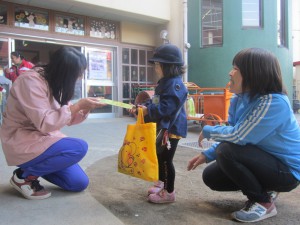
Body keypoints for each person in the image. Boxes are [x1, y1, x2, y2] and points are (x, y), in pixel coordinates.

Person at [187, 48, 300, 223]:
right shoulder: (238, 99)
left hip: (287, 171)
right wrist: (207, 154)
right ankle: (266, 189)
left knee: (226, 151)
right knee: (211, 177)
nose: (230, 73)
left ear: (254, 74)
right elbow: (233, 134)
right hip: (265, 160)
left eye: (236, 69)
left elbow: (239, 136)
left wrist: (209, 131)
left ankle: (263, 202)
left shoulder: (274, 102)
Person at [0, 47, 106, 200]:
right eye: (78, 73)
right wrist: (77, 106)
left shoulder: (56, 82)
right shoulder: (30, 81)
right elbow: (45, 122)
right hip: (22, 138)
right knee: (78, 147)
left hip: (44, 138)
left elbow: (66, 118)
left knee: (78, 183)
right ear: (65, 71)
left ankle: (35, 168)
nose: (80, 77)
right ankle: (23, 177)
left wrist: (85, 108)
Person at [130, 44, 188, 203]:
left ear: (169, 66)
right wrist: (145, 107)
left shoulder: (175, 84)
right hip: (165, 127)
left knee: (165, 160)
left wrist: (149, 111)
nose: (155, 68)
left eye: (158, 64)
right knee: (158, 156)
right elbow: (156, 101)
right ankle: (162, 184)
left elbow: (167, 107)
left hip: (172, 129)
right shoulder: (165, 82)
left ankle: (169, 192)